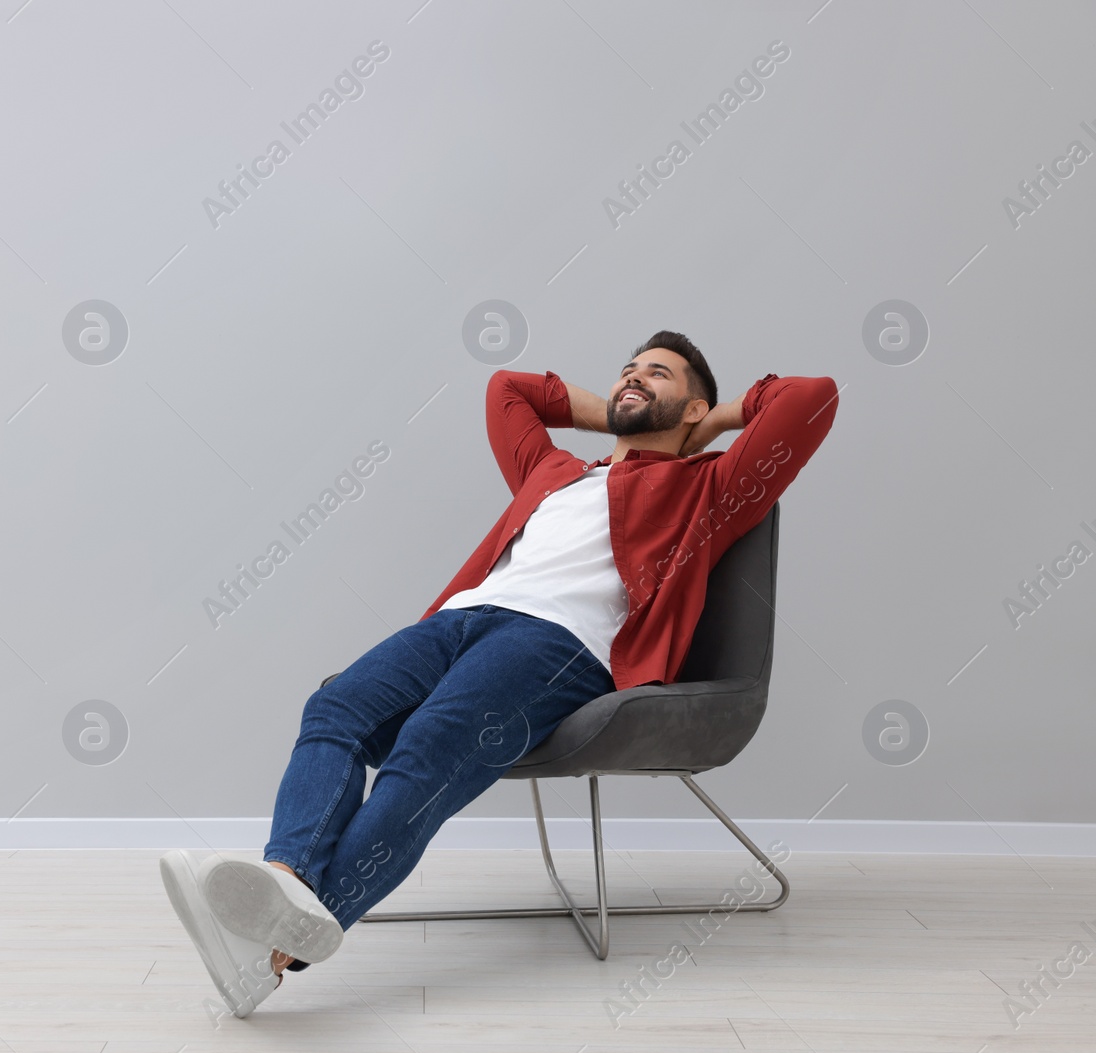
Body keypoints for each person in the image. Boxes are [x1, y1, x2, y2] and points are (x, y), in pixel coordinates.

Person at [161, 329, 840, 1018]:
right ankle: (282, 882)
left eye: (658, 375)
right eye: (627, 371)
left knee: (428, 748)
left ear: (693, 409)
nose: (633, 378)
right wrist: (619, 410)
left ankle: (274, 948)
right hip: (459, 620)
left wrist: (717, 421)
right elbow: (506, 390)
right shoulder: (552, 470)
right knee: (333, 710)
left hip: (560, 646)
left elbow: (811, 400)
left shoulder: (709, 487)